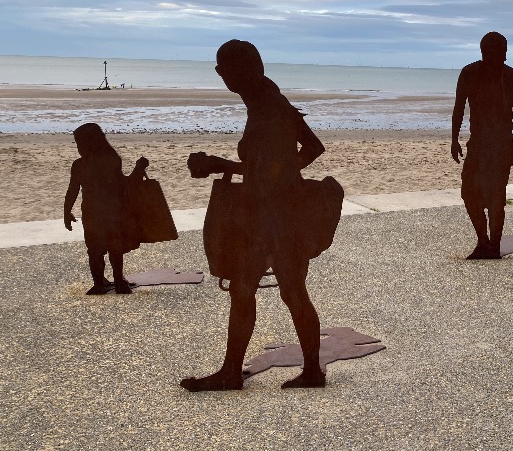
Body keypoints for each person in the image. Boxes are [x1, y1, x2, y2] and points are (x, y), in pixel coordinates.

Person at [180, 39, 334, 391]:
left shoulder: (268, 106)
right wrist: (284, 176)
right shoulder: (269, 101)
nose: (221, 74)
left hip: (273, 218)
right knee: (271, 291)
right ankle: (296, 371)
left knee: (266, 291)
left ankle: (237, 372)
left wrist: (221, 165)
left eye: (224, 68)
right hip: (276, 211)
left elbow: (273, 168)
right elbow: (310, 149)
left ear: (244, 70)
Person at [451, 32, 513, 259]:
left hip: (502, 145)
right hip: (477, 144)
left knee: (496, 196)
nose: (496, 55)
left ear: (505, 53)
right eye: (490, 50)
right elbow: (459, 108)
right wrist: (454, 139)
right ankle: (483, 241)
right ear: (483, 51)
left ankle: (493, 245)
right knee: (469, 192)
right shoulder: (470, 73)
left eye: (499, 51)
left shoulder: (511, 76)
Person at [63, 123, 149, 295]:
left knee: (94, 250)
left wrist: (67, 211)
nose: (78, 148)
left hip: (91, 214)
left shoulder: (79, 165)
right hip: (112, 212)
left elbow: (72, 190)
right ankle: (119, 282)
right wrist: (139, 168)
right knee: (114, 248)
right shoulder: (111, 160)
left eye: (80, 143)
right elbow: (124, 185)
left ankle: (99, 284)